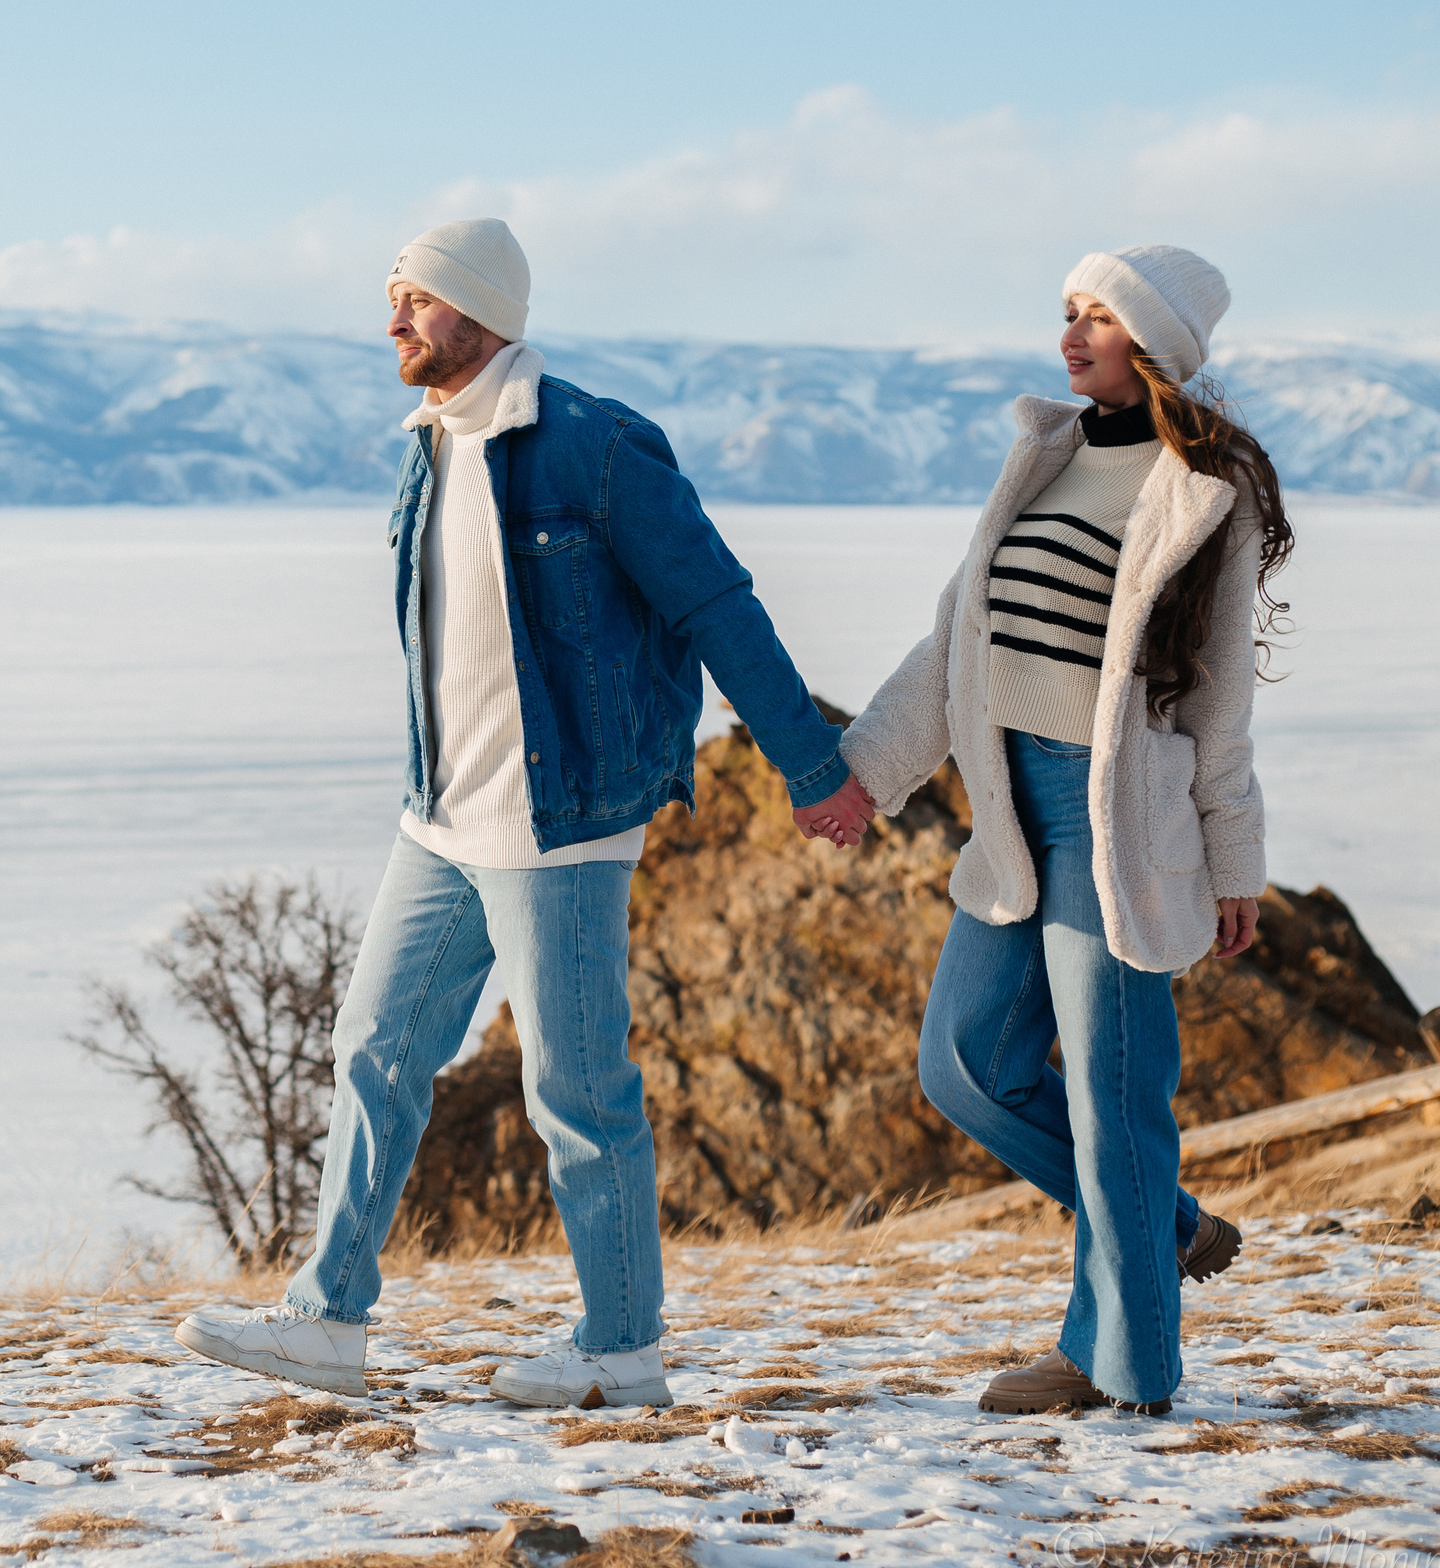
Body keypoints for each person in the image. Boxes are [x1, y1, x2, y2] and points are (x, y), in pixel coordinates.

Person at [175, 218, 875, 1406]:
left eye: (416, 298)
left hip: (562, 823)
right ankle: (325, 1319)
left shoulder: (595, 446)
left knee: (578, 1089)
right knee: (374, 1052)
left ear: (483, 309)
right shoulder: (430, 442)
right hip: (441, 815)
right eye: (391, 297)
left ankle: (618, 1351)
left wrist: (810, 767)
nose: (393, 319)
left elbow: (716, 606)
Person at [837, 244, 1292, 1415]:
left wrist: (1234, 858)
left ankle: (1123, 1370)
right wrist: (861, 780)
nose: (1070, 336)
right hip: (1009, 808)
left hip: (1116, 816)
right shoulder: (1038, 457)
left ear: (1155, 345)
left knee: (1111, 1097)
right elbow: (953, 649)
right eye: (1067, 314)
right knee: (967, 1066)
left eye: (1096, 318)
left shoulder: (1204, 488)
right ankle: (1169, 1224)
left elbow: (1219, 703)